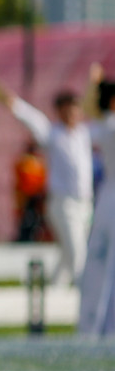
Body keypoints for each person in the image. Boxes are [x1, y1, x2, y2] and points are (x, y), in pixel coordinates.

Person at [4, 86, 93, 286]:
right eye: (68, 109)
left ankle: (54, 293)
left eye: (76, 108)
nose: (73, 113)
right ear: (60, 110)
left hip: (85, 204)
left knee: (67, 255)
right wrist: (16, 104)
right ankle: (84, 300)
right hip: (63, 205)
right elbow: (35, 120)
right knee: (78, 254)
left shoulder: (83, 134)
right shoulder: (53, 134)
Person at [79, 71, 115, 335]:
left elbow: (87, 113)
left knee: (98, 265)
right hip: (110, 197)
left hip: (105, 197)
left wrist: (94, 86)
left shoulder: (104, 126)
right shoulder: (109, 125)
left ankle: (91, 327)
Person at [14, 141, 49, 242]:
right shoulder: (27, 161)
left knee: (33, 219)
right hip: (27, 195)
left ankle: (32, 236)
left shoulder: (34, 162)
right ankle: (25, 236)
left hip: (33, 195)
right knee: (27, 218)